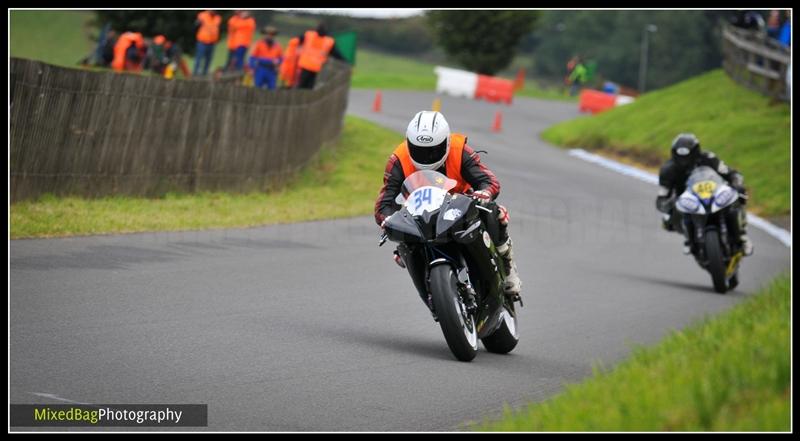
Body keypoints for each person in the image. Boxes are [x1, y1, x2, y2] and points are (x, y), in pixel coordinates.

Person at [374, 111, 522, 299]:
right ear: (409, 143)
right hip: (421, 214)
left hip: (462, 207)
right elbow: (384, 203)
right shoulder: (399, 159)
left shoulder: (459, 150)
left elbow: (489, 181)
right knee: (402, 247)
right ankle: (430, 290)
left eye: (433, 149)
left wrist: (483, 193)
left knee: (495, 212)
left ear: (446, 142)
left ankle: (508, 269)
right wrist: (388, 220)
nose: (426, 156)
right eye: (419, 149)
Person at [655, 133, 753, 256]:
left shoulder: (709, 158)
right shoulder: (667, 170)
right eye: (681, 157)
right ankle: (689, 240)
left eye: (687, 157)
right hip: (689, 201)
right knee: (669, 218)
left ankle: (742, 236)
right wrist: (668, 205)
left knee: (737, 199)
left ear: (696, 152)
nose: (684, 161)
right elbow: (662, 196)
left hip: (714, 194)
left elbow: (731, 173)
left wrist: (737, 184)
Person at [295, 23, 345, 90]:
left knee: (301, 85)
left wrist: (299, 47)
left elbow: (298, 39)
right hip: (316, 67)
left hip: (306, 65)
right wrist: (345, 61)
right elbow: (336, 54)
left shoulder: (309, 35)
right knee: (309, 86)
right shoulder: (329, 41)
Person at [193, 9, 222, 76]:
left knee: (208, 59)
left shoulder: (218, 18)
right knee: (199, 58)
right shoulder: (203, 15)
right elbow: (196, 24)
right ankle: (195, 74)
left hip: (212, 42)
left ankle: (204, 74)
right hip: (202, 41)